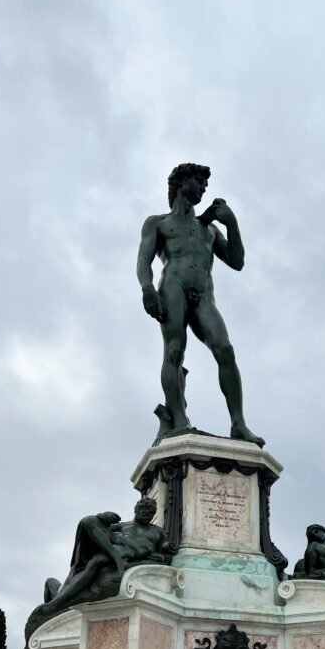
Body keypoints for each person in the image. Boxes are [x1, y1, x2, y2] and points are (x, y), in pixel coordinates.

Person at [137, 163, 264, 446]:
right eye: (198, 181)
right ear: (182, 183)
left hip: (204, 293)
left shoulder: (208, 229)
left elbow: (237, 262)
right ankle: (179, 420)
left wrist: (231, 223)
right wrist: (147, 288)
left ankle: (238, 424)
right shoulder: (158, 223)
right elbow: (143, 260)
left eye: (206, 184)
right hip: (173, 286)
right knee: (174, 351)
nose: (204, 188)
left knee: (225, 349)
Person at [43, 498, 170, 614]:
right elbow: (99, 529)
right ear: (136, 510)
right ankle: (115, 558)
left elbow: (164, 549)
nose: (148, 514)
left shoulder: (157, 532)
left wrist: (162, 555)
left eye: (151, 512)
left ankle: (57, 602)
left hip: (126, 555)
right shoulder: (123, 525)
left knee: (97, 561)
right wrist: (102, 517)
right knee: (88, 521)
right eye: (144, 510)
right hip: (112, 548)